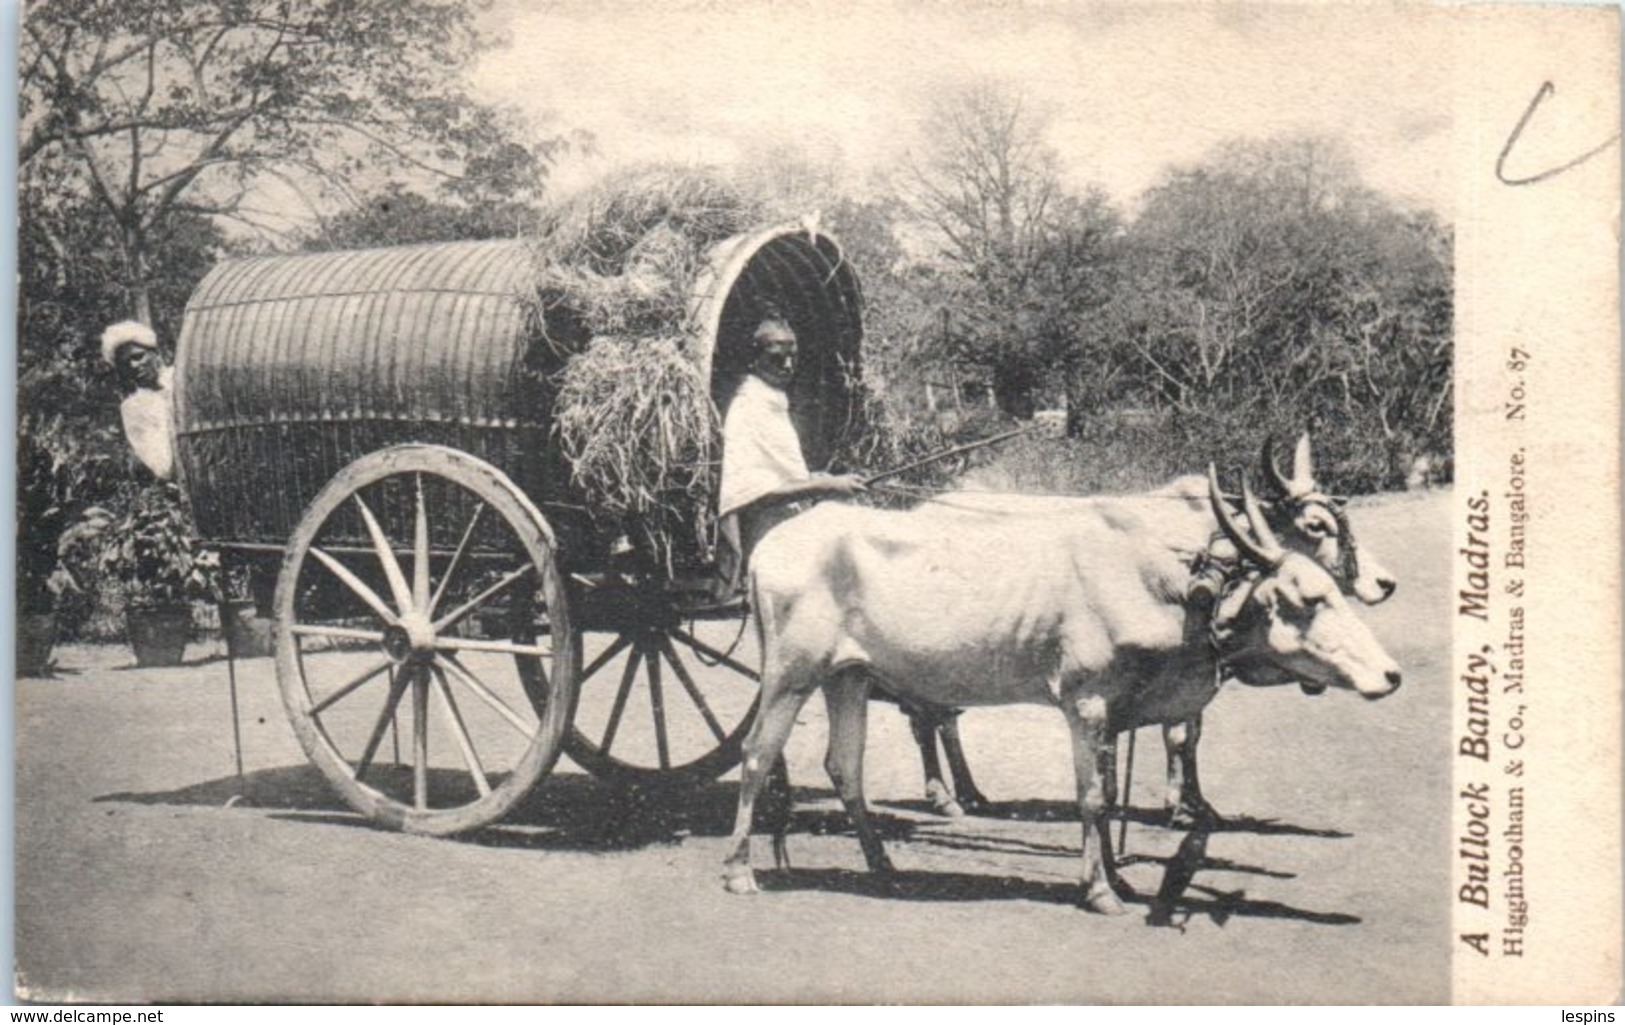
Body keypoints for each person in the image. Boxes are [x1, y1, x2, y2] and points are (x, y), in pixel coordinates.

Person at [716, 316, 865, 586]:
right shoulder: (748, 408)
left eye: (793, 357)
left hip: (792, 530)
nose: (787, 366)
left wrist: (817, 479)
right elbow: (753, 495)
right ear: (754, 357)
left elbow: (781, 474)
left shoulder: (772, 402)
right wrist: (822, 484)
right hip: (770, 543)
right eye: (776, 358)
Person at [101, 320, 175, 481]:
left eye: (138, 356)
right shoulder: (134, 408)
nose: (134, 365)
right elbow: (163, 467)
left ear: (155, 352)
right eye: (125, 363)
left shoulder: (181, 377)